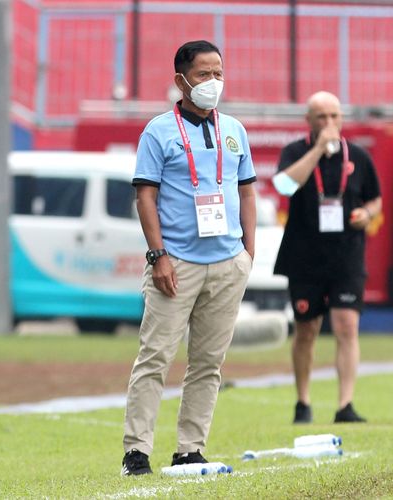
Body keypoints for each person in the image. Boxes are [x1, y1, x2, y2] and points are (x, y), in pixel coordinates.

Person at [121, 40, 256, 476]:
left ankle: (189, 449)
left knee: (208, 363)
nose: (213, 82)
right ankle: (136, 452)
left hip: (227, 262)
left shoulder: (235, 129)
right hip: (176, 262)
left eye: (219, 73)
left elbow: (246, 190)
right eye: (203, 74)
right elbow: (146, 196)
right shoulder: (158, 131)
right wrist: (158, 255)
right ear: (181, 80)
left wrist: (247, 253)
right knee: (155, 357)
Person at [272, 91, 382, 424]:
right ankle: (303, 401)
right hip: (304, 256)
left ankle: (344, 404)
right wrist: (319, 149)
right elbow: (285, 186)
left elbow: (375, 200)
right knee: (307, 329)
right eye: (322, 117)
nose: (330, 123)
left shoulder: (358, 156)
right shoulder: (294, 151)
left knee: (347, 326)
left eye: (335, 116)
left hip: (346, 256)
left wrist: (367, 214)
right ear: (309, 121)